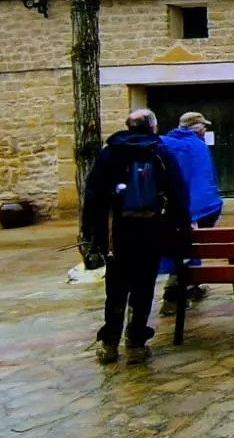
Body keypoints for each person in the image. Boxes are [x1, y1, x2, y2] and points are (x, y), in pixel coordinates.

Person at [82, 109, 190, 366]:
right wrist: (181, 231)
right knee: (143, 287)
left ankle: (109, 343)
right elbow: (178, 194)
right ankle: (135, 343)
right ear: (152, 128)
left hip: (116, 235)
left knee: (116, 289)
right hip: (150, 232)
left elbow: (94, 197)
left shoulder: (110, 154)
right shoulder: (159, 153)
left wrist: (93, 234)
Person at [158, 112, 224, 317]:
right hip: (199, 207)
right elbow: (206, 179)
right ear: (195, 127)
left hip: (175, 207)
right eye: (203, 126)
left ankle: (190, 284)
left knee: (184, 246)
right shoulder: (196, 146)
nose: (205, 130)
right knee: (188, 247)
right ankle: (173, 294)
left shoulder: (165, 143)